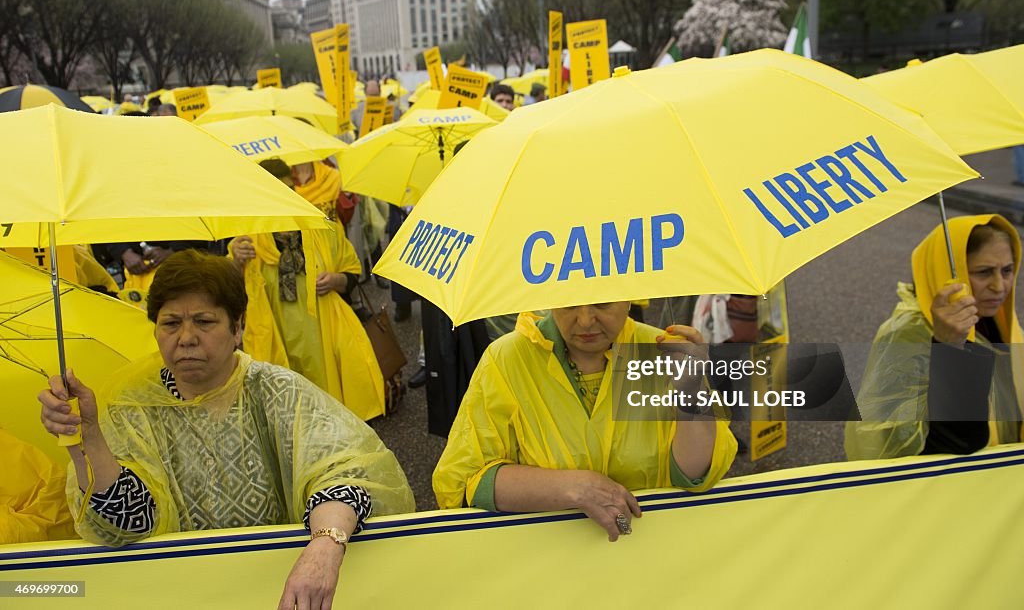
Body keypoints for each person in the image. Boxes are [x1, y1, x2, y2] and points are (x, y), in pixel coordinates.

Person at [38, 250, 414, 609]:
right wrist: (86, 438)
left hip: (280, 585)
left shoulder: (276, 391)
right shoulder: (131, 408)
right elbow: (130, 525)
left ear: (238, 328)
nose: (186, 337)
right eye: (170, 323)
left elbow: (346, 473)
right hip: (180, 593)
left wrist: (324, 547)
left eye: (204, 321)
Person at [433, 303, 737, 541]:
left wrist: (691, 392)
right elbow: (467, 481)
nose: (586, 321)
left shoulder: (665, 352)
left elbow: (693, 475)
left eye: (603, 304)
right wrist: (574, 488)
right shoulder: (507, 360)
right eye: (568, 304)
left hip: (653, 560)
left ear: (630, 297)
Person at [845, 215, 1022, 459]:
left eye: (1007, 270)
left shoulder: (997, 320)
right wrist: (949, 349)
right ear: (948, 273)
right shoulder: (908, 334)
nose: (999, 286)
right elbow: (923, 448)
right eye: (983, 272)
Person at [231, 159, 388, 421]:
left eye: (290, 189)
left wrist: (336, 280)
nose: (286, 196)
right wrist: (236, 261)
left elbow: (352, 273)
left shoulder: (320, 225)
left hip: (323, 335)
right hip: (276, 337)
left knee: (331, 411)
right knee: (289, 414)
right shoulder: (247, 238)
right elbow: (231, 293)